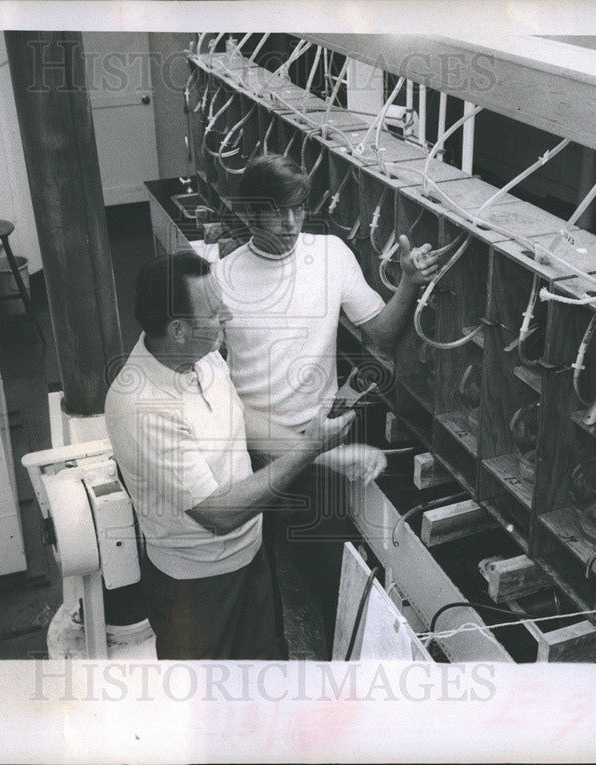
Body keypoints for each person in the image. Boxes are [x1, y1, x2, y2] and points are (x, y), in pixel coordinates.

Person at [211, 154, 441, 655]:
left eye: (298, 208)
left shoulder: (332, 254)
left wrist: (407, 283)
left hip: (317, 448)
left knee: (329, 578)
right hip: (249, 454)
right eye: (277, 212)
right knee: (252, 587)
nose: (292, 223)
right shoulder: (219, 279)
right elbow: (214, 391)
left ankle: (335, 685)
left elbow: (380, 331)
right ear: (250, 214)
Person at [104, 252, 361, 660]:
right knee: (207, 705)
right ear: (178, 330)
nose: (227, 315)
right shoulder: (140, 406)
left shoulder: (202, 357)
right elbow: (218, 514)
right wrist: (310, 447)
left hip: (251, 558)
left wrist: (324, 456)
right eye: (214, 311)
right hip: (195, 588)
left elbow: (239, 418)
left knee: (264, 677)